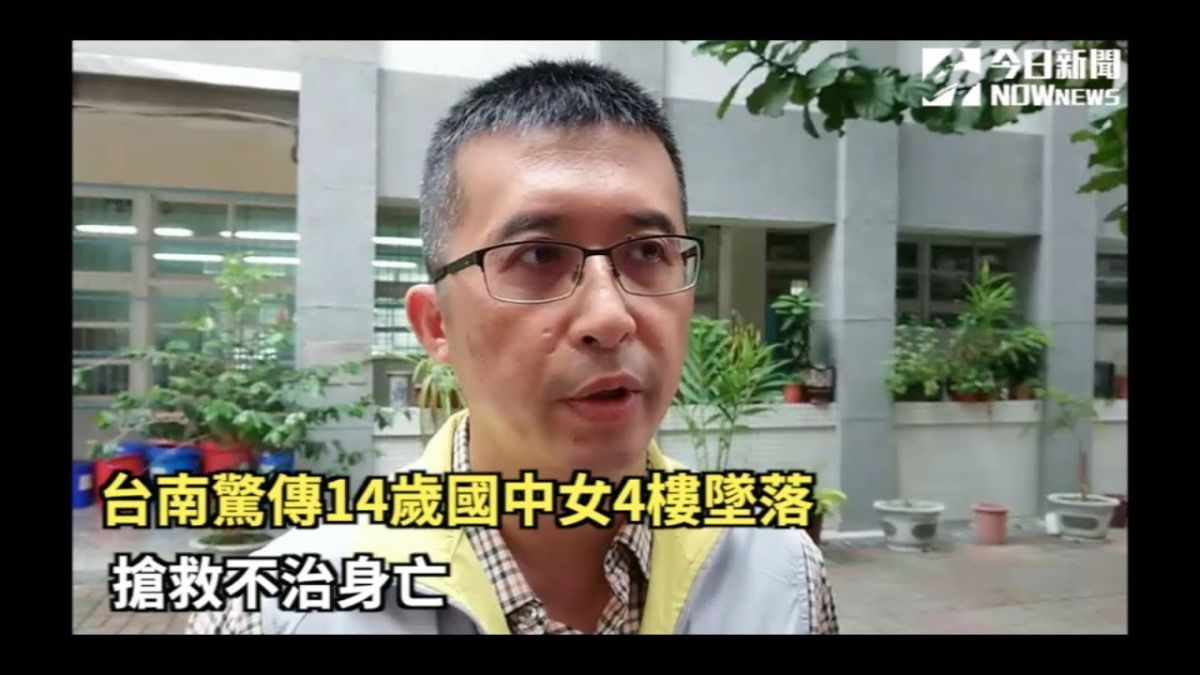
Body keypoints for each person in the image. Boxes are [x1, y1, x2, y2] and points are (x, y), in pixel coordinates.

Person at [188, 59, 838, 635]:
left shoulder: (781, 575)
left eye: (647, 252)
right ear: (436, 325)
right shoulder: (277, 611)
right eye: (538, 256)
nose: (610, 316)